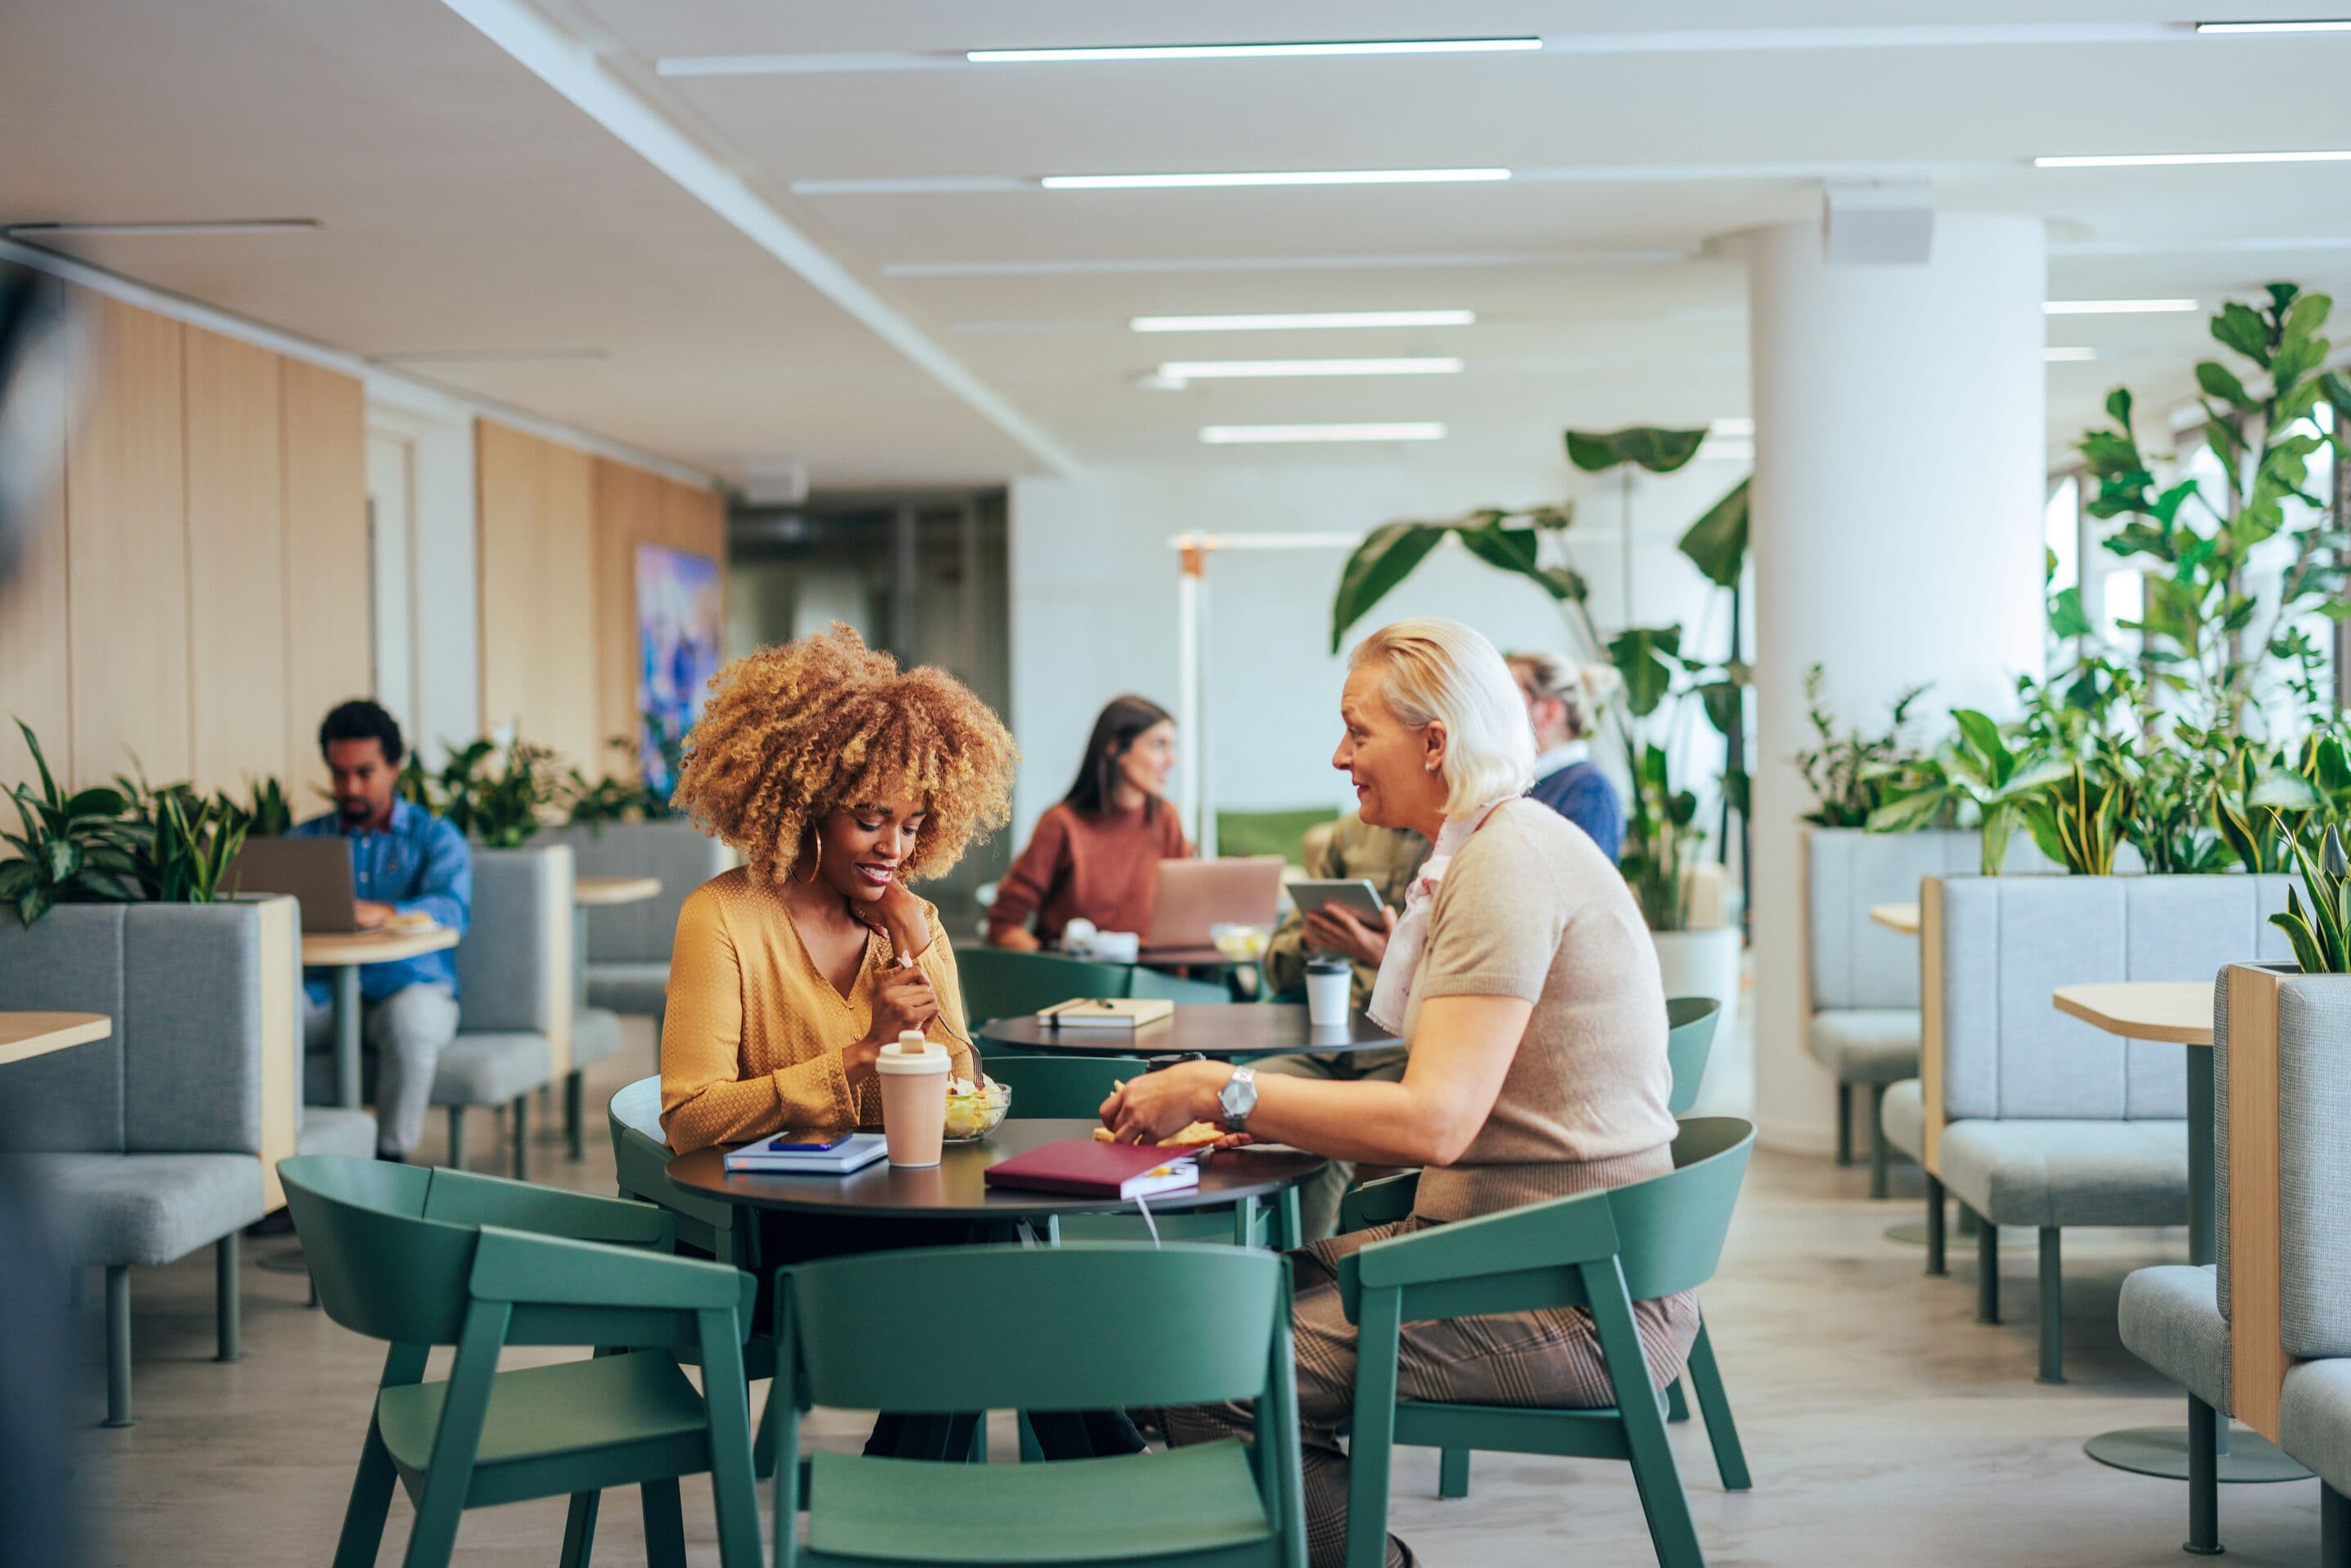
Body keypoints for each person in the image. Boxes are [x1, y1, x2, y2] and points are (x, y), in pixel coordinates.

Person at [1104, 618, 1689, 1568]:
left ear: (1435, 742)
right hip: (1522, 1249)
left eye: (1357, 731)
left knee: (1205, 1357)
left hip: (1568, 1290)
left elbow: (1436, 1118)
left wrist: (1229, 1089)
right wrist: (1252, 1112)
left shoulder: (1505, 867)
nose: (1339, 756)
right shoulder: (1493, 846)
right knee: (1186, 1315)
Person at [660, 624, 1016, 1154]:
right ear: (809, 808)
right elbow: (690, 1119)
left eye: (911, 825)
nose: (894, 848)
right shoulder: (722, 917)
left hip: (911, 1214)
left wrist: (917, 942)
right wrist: (864, 1053)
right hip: (781, 1221)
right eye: (870, 821)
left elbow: (962, 1106)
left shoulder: (915, 922)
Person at [293, 700, 472, 1162]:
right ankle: (286, 1176)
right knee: (268, 1018)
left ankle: (391, 1169)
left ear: (394, 768)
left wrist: (387, 911)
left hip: (412, 988)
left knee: (411, 1023)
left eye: (364, 772)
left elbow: (452, 908)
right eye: (338, 773)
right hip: (325, 993)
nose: (349, 787)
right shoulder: (304, 844)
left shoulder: (435, 837)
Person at [1255, 812, 1429, 1240]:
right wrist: (1311, 941)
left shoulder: (1468, 841)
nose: (1343, 760)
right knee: (1240, 1105)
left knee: (1390, 1153)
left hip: (1407, 1055)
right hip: (1329, 1048)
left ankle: (1370, 1282)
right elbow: (1278, 967)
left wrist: (1386, 955)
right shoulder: (1349, 834)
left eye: (1360, 739)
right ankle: (1287, 1272)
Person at [986, 695, 1189, 950]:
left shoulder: (1165, 818)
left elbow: (1188, 911)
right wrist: (1057, 971)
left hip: (1159, 979)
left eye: (1172, 746)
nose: (1172, 760)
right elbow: (1003, 925)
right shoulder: (1061, 824)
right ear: (1115, 748)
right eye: (1159, 745)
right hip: (1084, 981)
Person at [1508, 649, 1625, 861]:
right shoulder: (1523, 782)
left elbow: (1583, 888)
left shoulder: (1590, 791)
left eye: (1509, 698)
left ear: (1549, 712)